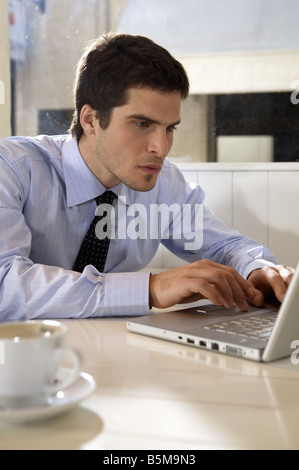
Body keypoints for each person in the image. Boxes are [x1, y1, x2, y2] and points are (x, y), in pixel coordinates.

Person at [0, 33, 294, 321]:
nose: (161, 148)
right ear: (91, 120)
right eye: (142, 123)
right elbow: (5, 284)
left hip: (110, 353)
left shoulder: (162, 182)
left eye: (170, 128)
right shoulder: (12, 168)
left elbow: (225, 247)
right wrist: (150, 288)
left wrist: (257, 269)